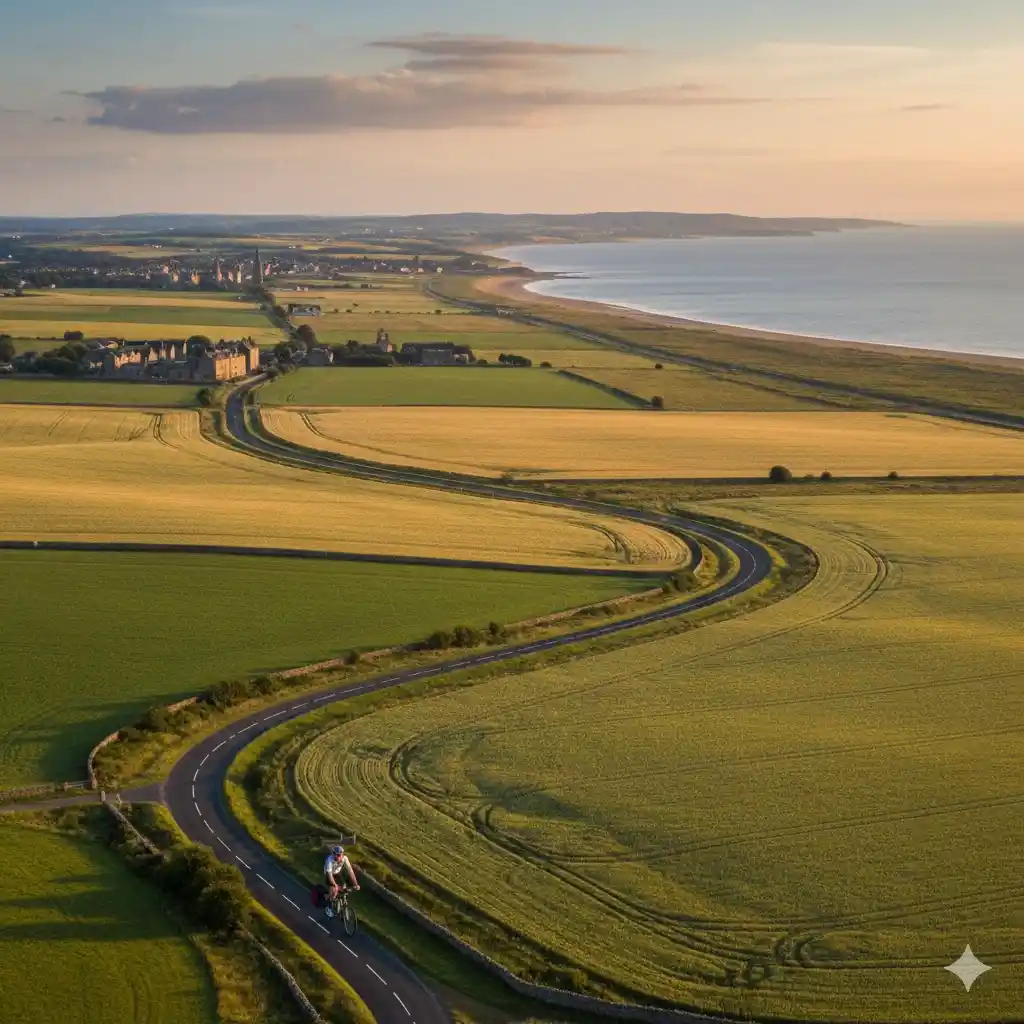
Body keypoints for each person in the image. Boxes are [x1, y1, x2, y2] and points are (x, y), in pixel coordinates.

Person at [323, 845, 359, 915]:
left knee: (344, 887)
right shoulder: (329, 860)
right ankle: (329, 908)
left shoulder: (345, 859)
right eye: (335, 854)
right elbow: (330, 876)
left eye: (339, 855)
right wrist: (335, 885)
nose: (337, 857)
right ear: (333, 854)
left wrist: (356, 884)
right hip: (329, 875)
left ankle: (338, 902)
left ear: (342, 855)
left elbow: (350, 871)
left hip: (337, 873)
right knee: (334, 890)